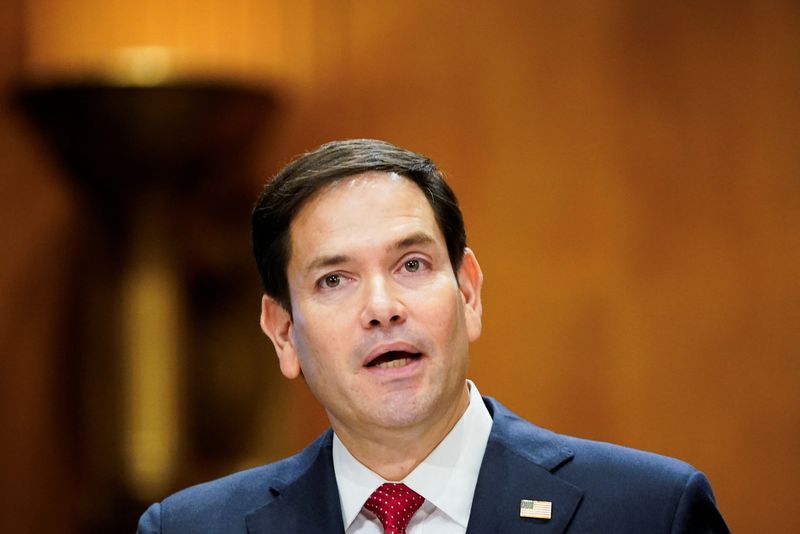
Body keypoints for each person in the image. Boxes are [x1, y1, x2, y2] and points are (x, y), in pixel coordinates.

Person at [137, 139, 729, 533]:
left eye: (411, 265)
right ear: (284, 333)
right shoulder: (190, 529)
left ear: (468, 292)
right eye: (335, 279)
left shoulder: (650, 512)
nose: (382, 308)